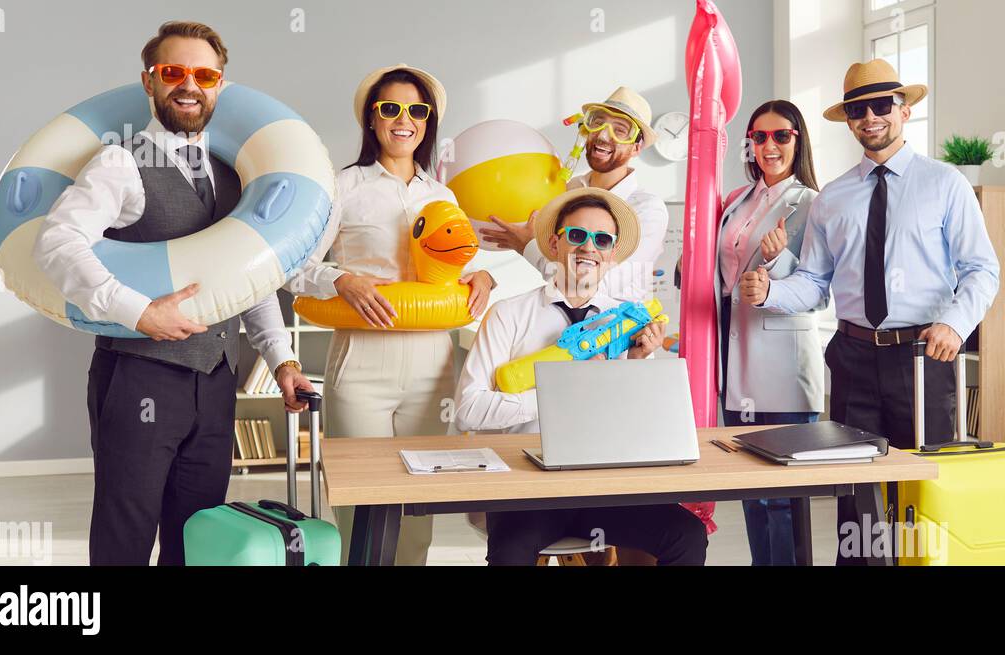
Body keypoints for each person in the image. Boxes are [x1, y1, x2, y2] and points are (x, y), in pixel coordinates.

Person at [32, 21, 314, 565]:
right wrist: (139, 313)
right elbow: (57, 242)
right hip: (140, 375)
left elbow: (248, 278)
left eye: (204, 74)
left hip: (214, 381)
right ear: (149, 81)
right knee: (126, 531)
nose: (190, 85)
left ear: (219, 86)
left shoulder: (237, 175)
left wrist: (281, 361)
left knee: (198, 531)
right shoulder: (120, 163)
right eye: (173, 72)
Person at [740, 59, 1000, 565]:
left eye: (882, 105)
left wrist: (955, 322)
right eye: (859, 109)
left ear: (904, 111)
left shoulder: (944, 185)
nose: (870, 117)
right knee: (855, 496)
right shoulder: (833, 198)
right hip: (853, 356)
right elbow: (814, 284)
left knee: (921, 492)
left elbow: (981, 270)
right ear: (850, 121)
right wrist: (768, 291)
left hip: (924, 357)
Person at [289, 65, 496, 566]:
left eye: (417, 110)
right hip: (362, 362)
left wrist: (485, 277)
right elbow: (296, 267)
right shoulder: (342, 186)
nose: (405, 120)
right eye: (391, 108)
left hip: (431, 365)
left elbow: (456, 262)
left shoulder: (442, 195)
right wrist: (342, 280)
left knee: (418, 506)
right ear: (372, 119)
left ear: (428, 122)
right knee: (363, 502)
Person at [454, 188, 708, 566]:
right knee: (509, 554)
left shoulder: (627, 321)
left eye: (601, 240)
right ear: (554, 244)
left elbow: (642, 427)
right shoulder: (508, 315)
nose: (588, 248)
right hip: (527, 491)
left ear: (611, 254)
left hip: (606, 489)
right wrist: (555, 396)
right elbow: (467, 411)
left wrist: (637, 363)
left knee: (687, 535)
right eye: (577, 236)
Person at [718, 100, 823, 566]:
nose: (769, 145)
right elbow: (724, 274)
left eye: (781, 135)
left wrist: (777, 262)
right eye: (759, 136)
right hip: (735, 364)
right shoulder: (737, 200)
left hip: (782, 370)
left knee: (782, 500)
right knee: (751, 493)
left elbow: (819, 287)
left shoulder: (812, 203)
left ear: (798, 141)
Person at [481, 87, 668, 303]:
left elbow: (594, 284)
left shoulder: (648, 209)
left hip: (621, 329)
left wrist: (527, 246)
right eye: (597, 122)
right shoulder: (568, 190)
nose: (603, 135)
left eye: (620, 130)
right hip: (566, 319)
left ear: (636, 147)